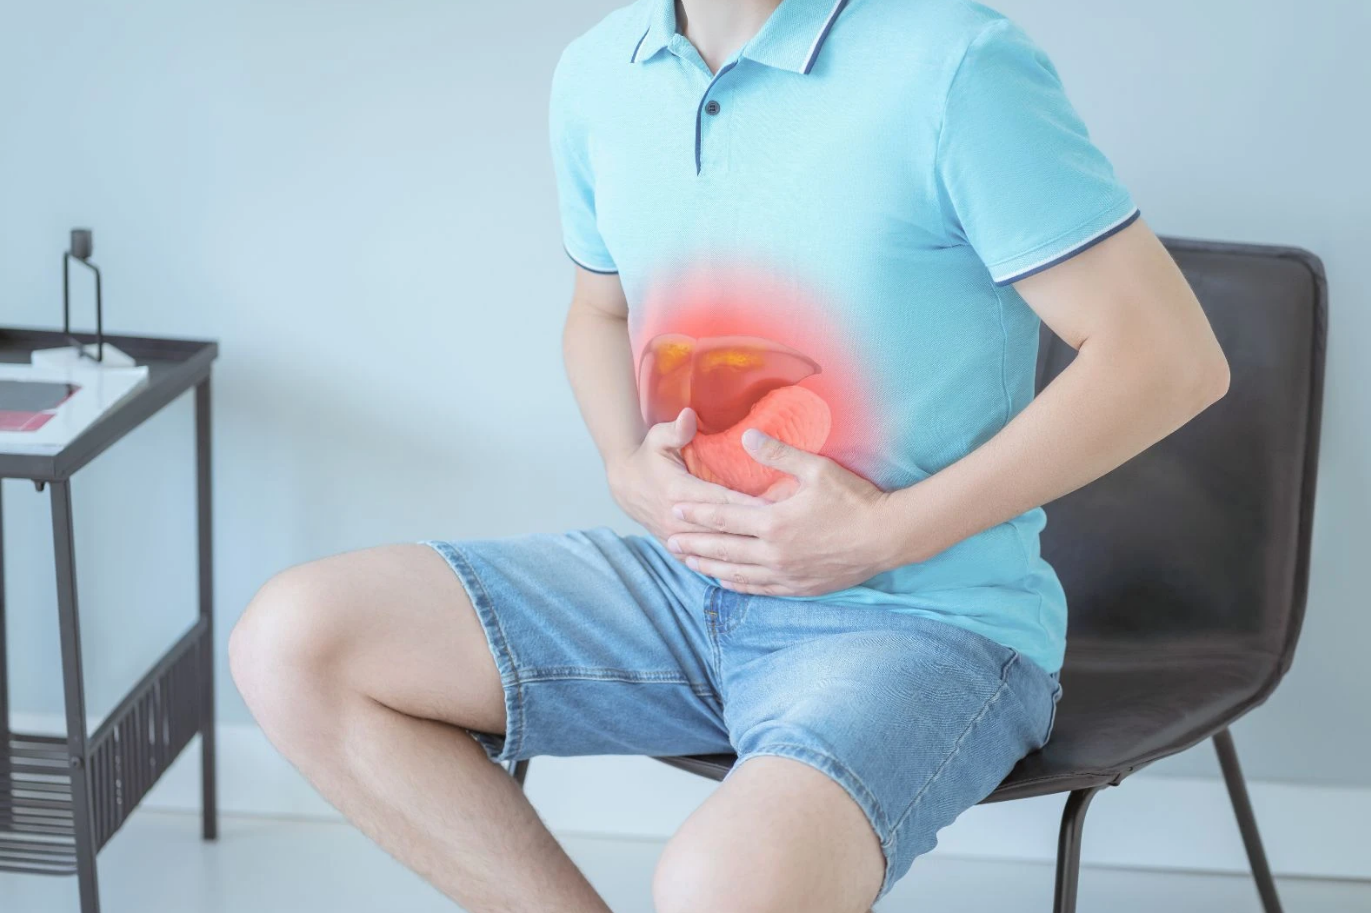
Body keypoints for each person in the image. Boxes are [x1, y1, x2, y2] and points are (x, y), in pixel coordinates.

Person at [229, 0, 1231, 910]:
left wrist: (883, 532)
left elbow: (1169, 359)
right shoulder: (598, 73)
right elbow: (597, 310)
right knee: (297, 641)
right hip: (684, 587)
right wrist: (624, 461)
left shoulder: (955, 62)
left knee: (720, 885)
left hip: (925, 618)